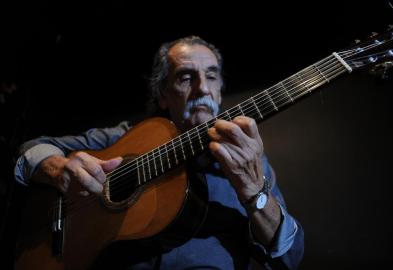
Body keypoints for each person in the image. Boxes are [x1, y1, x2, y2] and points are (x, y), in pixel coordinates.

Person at [14, 36, 304, 269]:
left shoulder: (247, 159)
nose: (202, 88)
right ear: (163, 94)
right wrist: (56, 168)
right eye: (186, 77)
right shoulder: (128, 135)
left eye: (211, 76)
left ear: (219, 90)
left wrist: (255, 193)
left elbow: (289, 257)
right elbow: (29, 150)